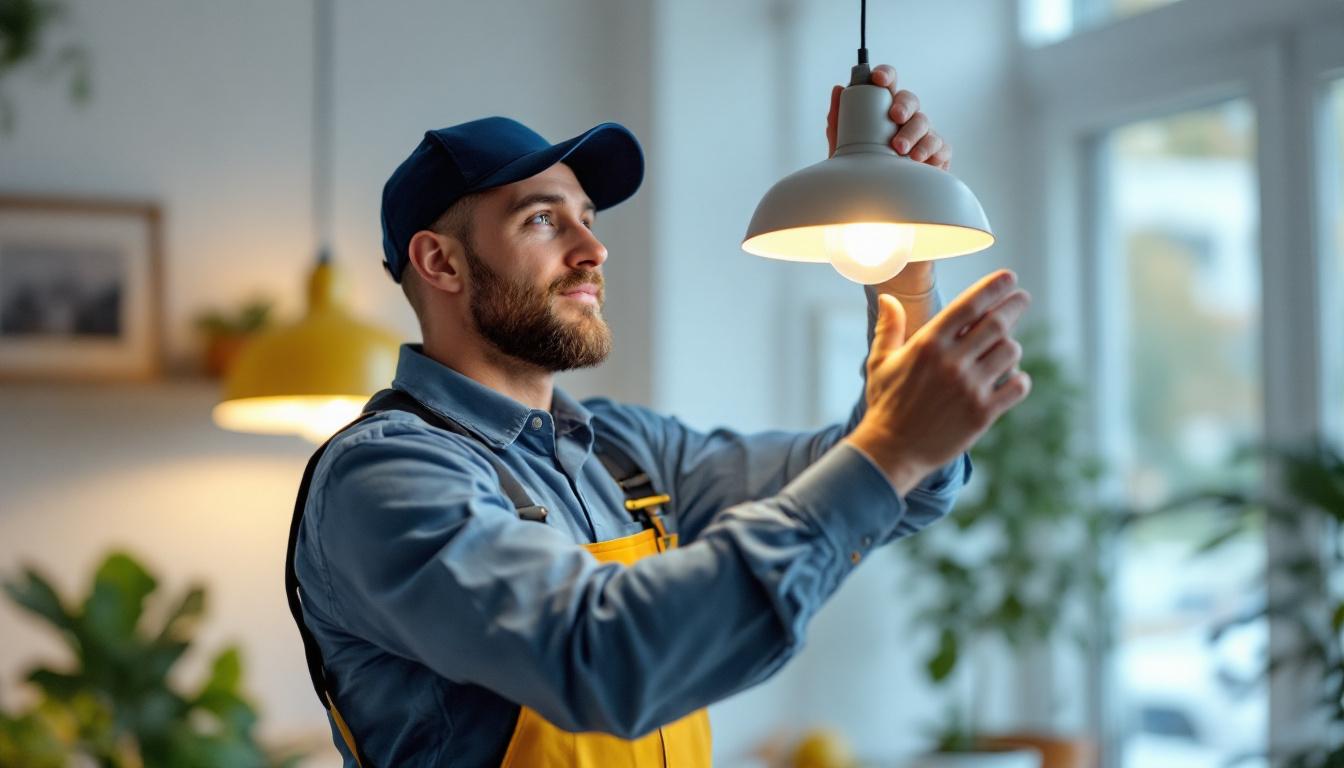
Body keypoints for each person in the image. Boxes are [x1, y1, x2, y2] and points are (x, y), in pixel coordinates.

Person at [287, 64, 1032, 768]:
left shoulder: (627, 453)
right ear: (441, 263)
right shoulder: (383, 476)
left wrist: (904, 275)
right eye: (543, 220)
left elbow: (906, 488)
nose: (593, 248)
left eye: (587, 218)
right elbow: (602, 662)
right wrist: (889, 451)